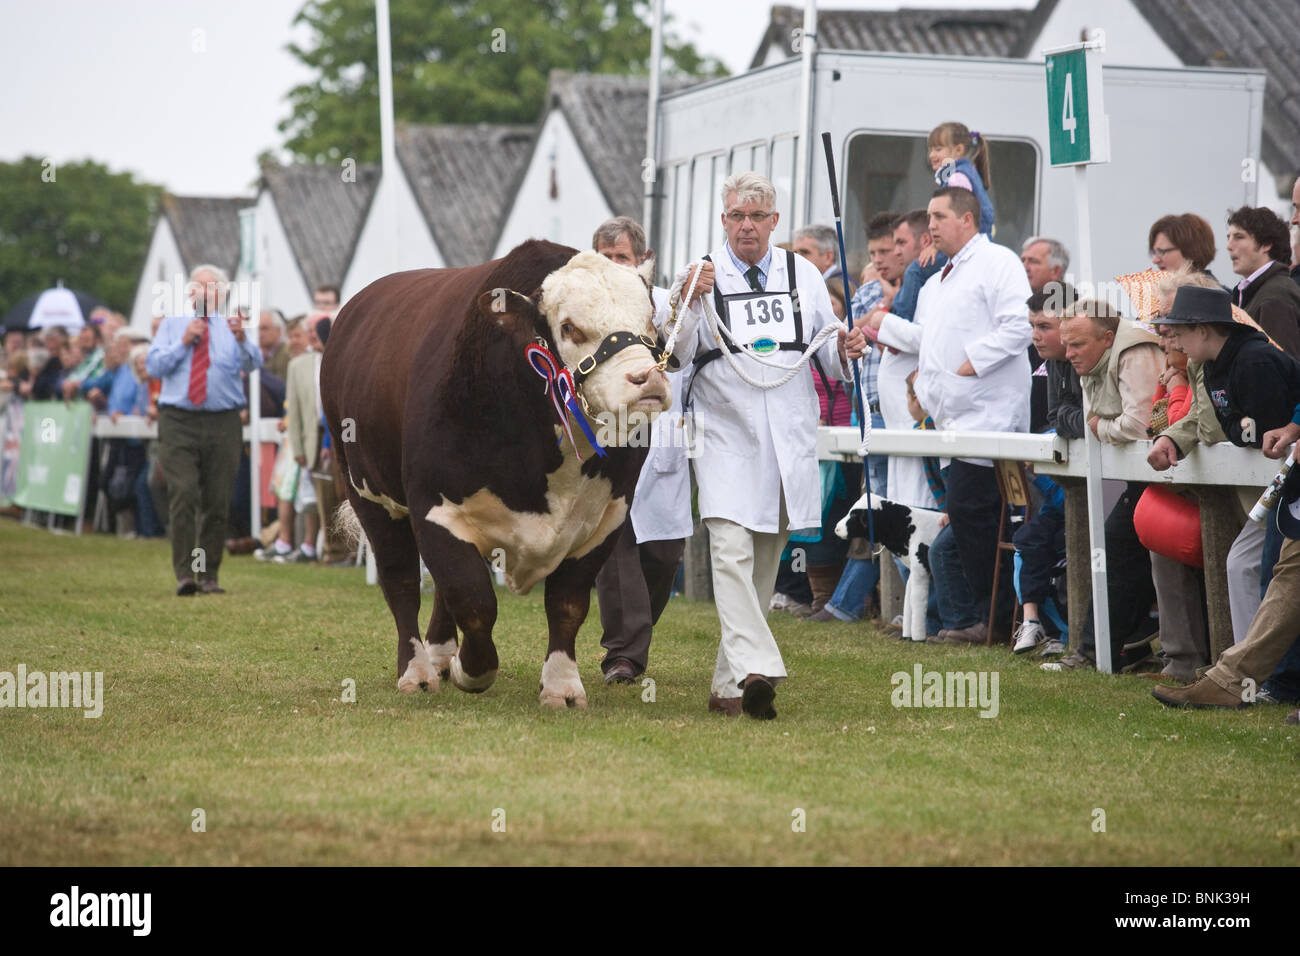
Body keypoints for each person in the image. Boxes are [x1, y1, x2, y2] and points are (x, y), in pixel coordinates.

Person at [663, 171, 855, 719]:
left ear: (774, 222)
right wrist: (688, 302)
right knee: (728, 545)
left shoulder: (804, 274)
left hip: (786, 430)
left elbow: (829, 353)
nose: (746, 227)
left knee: (764, 558)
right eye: (736, 217)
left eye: (757, 217)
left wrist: (850, 348)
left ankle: (729, 688)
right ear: (723, 220)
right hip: (724, 430)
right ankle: (759, 665)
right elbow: (674, 356)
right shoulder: (701, 274)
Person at [863, 186, 1030, 644]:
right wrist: (930, 385)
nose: (930, 226)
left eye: (939, 216)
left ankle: (990, 619)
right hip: (946, 422)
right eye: (930, 216)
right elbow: (930, 340)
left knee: (972, 515)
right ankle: (978, 616)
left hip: (987, 416)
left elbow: (1018, 324)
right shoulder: (938, 281)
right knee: (963, 517)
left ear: (968, 220)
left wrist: (973, 360)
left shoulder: (999, 263)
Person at [1151, 286, 1300, 714]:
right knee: (1279, 574)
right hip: (1280, 489)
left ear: (1202, 328)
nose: (1170, 339)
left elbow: (1247, 432)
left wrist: (1277, 429)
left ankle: (1251, 680)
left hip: (1280, 489)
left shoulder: (1253, 361)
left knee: (1269, 572)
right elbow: (1229, 427)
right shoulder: (1212, 366)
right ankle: (1241, 680)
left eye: (1177, 330)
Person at [590, 216, 692, 685]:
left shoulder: (668, 310)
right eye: (606, 258)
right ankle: (624, 655)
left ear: (643, 261)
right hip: (610, 433)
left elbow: (691, 355)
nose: (614, 266)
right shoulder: (586, 315)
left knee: (665, 553)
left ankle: (634, 637)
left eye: (622, 258)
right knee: (616, 543)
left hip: (665, 433)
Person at [1043, 300, 1162, 672]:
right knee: (1122, 548)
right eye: (1067, 343)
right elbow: (1076, 415)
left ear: (1108, 337)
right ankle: (1111, 649)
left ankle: (1100, 651)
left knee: (1118, 546)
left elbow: (1138, 425)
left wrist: (1100, 429)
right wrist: (1100, 425)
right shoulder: (1097, 356)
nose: (1069, 353)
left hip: (1167, 478)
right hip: (1148, 477)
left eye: (1077, 344)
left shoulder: (1135, 352)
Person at [146, 264, 261, 595]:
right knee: (183, 492)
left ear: (222, 295)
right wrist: (183, 343)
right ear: (189, 293)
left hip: (222, 421)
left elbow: (253, 365)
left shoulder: (234, 327)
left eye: (211, 287)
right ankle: (186, 573)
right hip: (178, 419)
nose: (204, 293)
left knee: (217, 498)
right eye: (198, 287)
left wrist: (241, 340)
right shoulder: (172, 325)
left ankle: (208, 574)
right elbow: (154, 366)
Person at [1010, 284, 1079, 656]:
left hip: (1096, 495)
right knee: (1028, 538)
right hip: (1060, 493)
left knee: (1070, 543)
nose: (1035, 335)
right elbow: (1060, 418)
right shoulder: (1051, 363)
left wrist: (1061, 426)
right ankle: (1035, 624)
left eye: (1044, 326)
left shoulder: (1087, 363)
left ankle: (1074, 637)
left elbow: (1083, 422)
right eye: (1032, 326)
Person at [1226, 205, 1300, 356]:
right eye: (1229, 238)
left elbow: (1281, 369)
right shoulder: (1251, 291)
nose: (1229, 246)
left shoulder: (1276, 296)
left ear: (1266, 244)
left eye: (1239, 237)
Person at [1147, 212, 1218, 278]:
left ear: (1190, 251)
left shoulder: (1207, 291)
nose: (1155, 260)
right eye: (1154, 252)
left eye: (1161, 252)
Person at [793, 224, 855, 295]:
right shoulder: (808, 283)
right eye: (794, 253)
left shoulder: (844, 287)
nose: (796, 258)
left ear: (828, 257)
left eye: (804, 252)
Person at [258, 310, 291, 381]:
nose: (260, 334)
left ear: (278, 330)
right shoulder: (263, 353)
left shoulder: (287, 353)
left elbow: (280, 387)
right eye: (257, 329)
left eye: (264, 328)